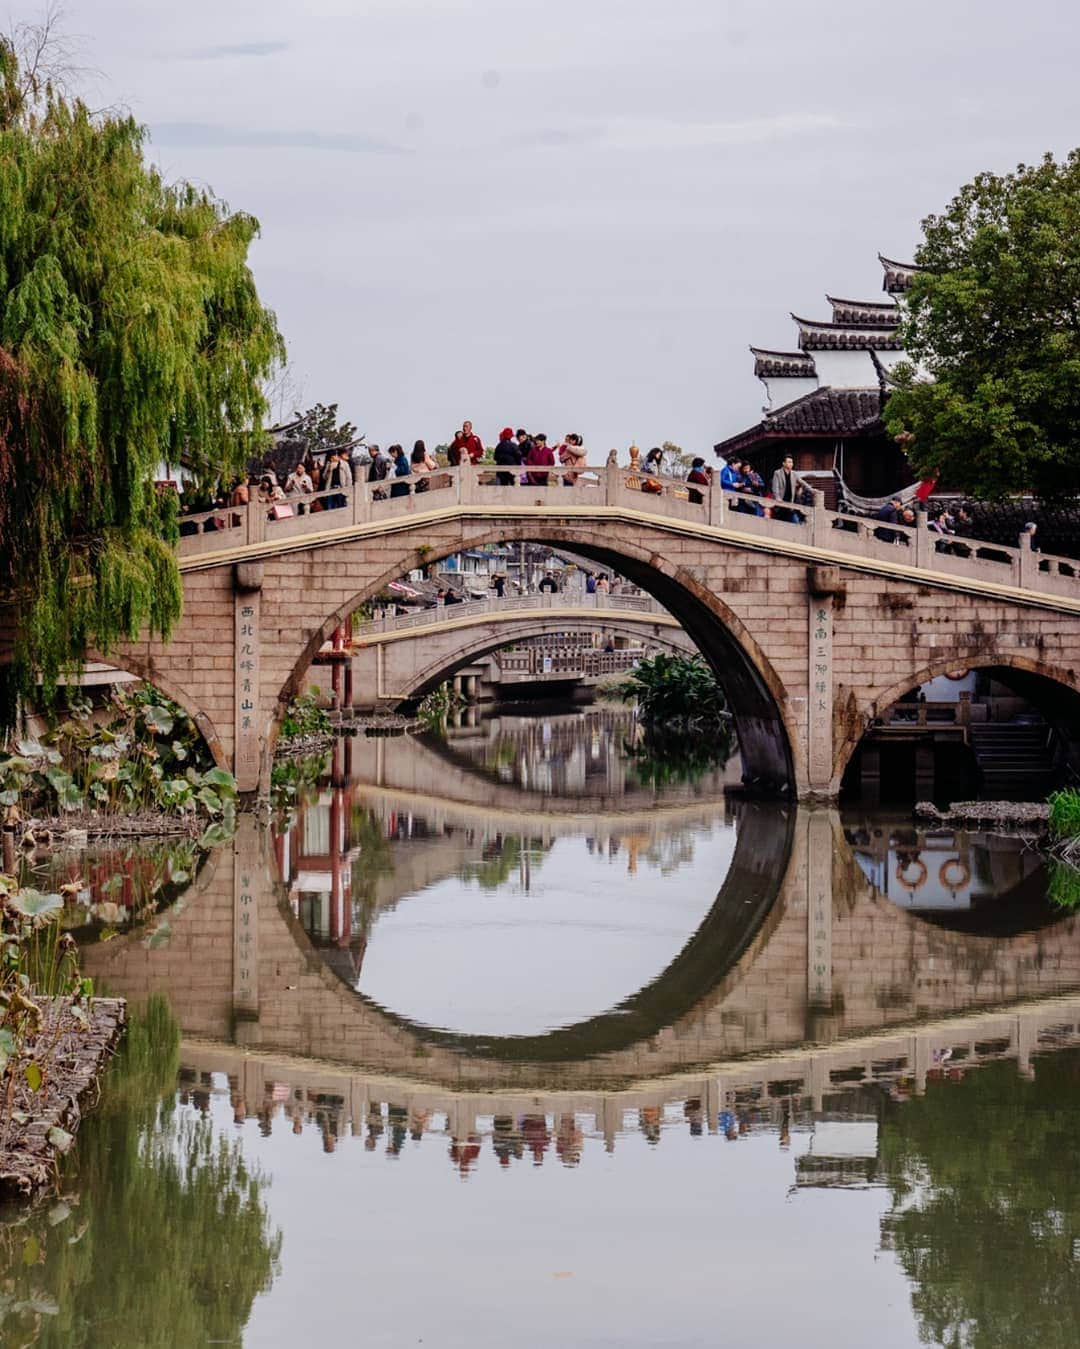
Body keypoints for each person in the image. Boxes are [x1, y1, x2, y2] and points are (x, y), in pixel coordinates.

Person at [770, 454, 800, 523]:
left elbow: (802, 482)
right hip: (780, 505)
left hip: (789, 506)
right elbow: (775, 488)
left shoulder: (794, 474)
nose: (791, 464)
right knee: (778, 526)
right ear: (783, 463)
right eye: (789, 462)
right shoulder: (777, 473)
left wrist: (812, 490)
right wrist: (777, 497)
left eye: (792, 462)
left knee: (796, 523)